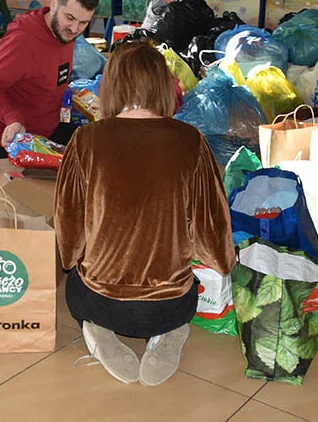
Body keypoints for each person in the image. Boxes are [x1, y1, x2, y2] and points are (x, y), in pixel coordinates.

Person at [54, 41, 234, 386]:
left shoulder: (84, 140)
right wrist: (223, 261)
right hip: (170, 304)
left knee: (76, 283)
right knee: (186, 291)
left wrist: (73, 257)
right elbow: (213, 227)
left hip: (101, 300)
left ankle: (98, 331)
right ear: (163, 85)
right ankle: (169, 334)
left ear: (112, 85)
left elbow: (69, 229)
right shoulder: (192, 141)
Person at [0, 0, 100, 160]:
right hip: (14, 142)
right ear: (54, 4)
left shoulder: (65, 32)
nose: (75, 29)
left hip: (48, 133)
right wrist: (13, 118)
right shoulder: (23, 39)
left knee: (100, 143)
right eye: (70, 18)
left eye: (84, 23)